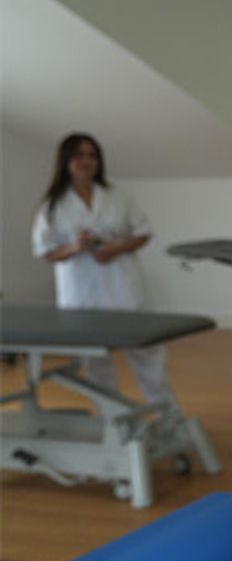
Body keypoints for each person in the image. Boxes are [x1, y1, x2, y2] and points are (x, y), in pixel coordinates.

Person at [31, 133, 179, 413]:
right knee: (97, 364)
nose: (87, 161)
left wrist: (116, 248)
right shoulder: (52, 206)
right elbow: (46, 252)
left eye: (92, 155)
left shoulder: (118, 196)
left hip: (124, 286)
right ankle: (114, 421)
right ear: (66, 161)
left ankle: (169, 419)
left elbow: (143, 233)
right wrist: (75, 247)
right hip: (82, 294)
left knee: (149, 358)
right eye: (79, 155)